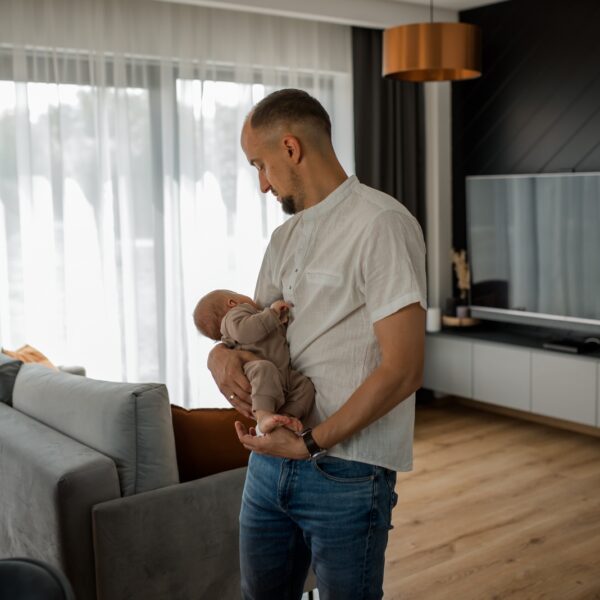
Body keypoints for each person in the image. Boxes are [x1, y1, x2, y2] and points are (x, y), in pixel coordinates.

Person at [207, 88, 427, 600]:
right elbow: (253, 334)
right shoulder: (282, 239)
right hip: (267, 462)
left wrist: (310, 442)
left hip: (346, 470)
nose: (262, 184)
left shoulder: (382, 224)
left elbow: (404, 368)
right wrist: (219, 355)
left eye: (260, 166)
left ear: (290, 148)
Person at [193, 289, 314, 435]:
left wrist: (279, 321)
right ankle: (263, 417)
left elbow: (267, 334)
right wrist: (272, 313)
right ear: (232, 302)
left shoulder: (253, 319)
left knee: (304, 386)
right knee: (264, 368)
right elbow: (244, 331)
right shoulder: (234, 315)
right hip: (259, 369)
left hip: (282, 373)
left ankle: (286, 418)